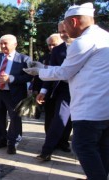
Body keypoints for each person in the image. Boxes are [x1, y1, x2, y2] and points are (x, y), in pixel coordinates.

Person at [23, 3, 109, 180]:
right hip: (105, 108)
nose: (65, 31)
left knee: (83, 146)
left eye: (66, 26)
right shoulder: (105, 36)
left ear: (74, 22)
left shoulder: (83, 41)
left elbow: (64, 72)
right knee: (102, 148)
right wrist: (45, 67)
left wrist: (39, 71)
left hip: (89, 109)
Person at [0, 34, 33, 154]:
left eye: (6, 43)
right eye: (1, 43)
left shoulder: (24, 59)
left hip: (14, 94)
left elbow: (29, 76)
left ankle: (13, 142)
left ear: (15, 44)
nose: (3, 46)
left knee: (15, 118)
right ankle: (2, 139)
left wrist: (12, 78)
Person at [36, 25, 74, 162]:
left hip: (87, 90)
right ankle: (46, 151)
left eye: (65, 31)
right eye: (60, 32)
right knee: (59, 118)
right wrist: (43, 91)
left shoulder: (88, 45)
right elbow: (51, 73)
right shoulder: (58, 50)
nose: (63, 34)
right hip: (65, 90)